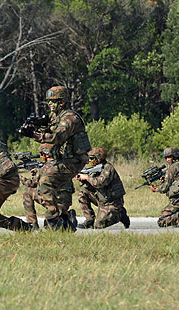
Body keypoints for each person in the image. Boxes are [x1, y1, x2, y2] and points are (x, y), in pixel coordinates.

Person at [30, 86, 92, 229]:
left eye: (53, 101)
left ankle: (54, 218)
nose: (50, 104)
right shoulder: (55, 117)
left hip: (75, 160)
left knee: (46, 181)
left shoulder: (70, 118)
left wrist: (37, 135)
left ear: (62, 102)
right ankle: (65, 217)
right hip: (64, 159)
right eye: (49, 102)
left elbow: (57, 137)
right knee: (43, 182)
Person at [20, 144, 76, 231]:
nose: (41, 156)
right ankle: (66, 216)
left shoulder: (47, 167)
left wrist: (19, 177)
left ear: (46, 154)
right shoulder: (64, 164)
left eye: (42, 154)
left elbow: (31, 183)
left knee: (27, 191)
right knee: (54, 223)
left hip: (54, 200)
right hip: (66, 201)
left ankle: (32, 223)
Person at [75, 147, 130, 229]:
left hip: (112, 202)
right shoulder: (95, 168)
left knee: (99, 225)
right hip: (102, 199)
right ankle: (89, 220)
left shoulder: (108, 168)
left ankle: (120, 214)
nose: (90, 161)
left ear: (98, 159)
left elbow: (100, 183)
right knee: (83, 191)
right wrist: (81, 178)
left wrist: (87, 177)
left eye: (92, 158)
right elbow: (91, 185)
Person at [149, 147, 179, 227]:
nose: (167, 160)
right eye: (166, 158)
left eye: (169, 157)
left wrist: (156, 189)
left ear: (175, 157)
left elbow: (165, 188)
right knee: (173, 215)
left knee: (161, 221)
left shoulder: (172, 168)